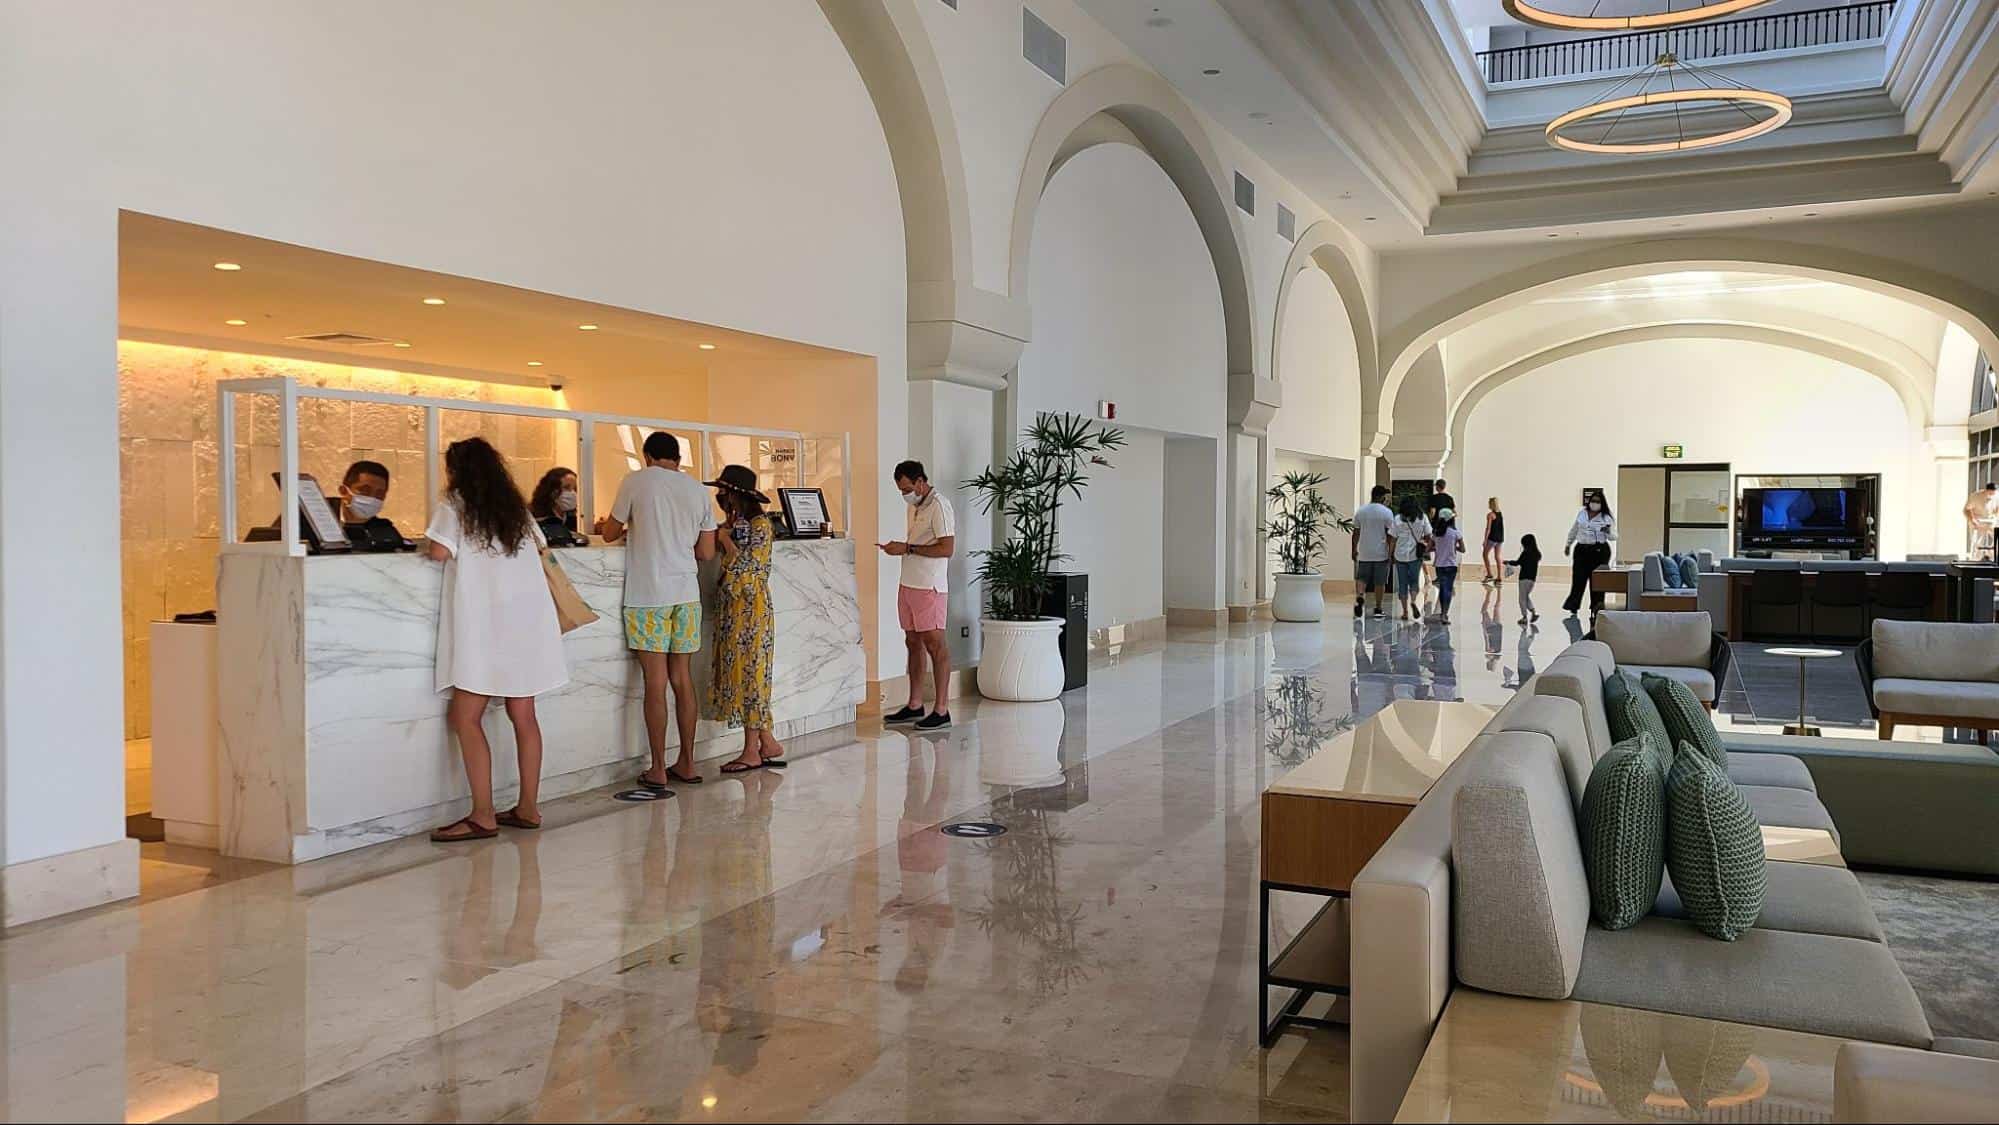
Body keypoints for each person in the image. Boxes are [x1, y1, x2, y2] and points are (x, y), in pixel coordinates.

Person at [422, 437, 567, 841]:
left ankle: (483, 814)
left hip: (486, 628)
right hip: (527, 626)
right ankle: (528, 807)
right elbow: (543, 547)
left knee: (465, 717)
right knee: (524, 716)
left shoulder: (455, 507)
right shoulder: (517, 511)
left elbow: (436, 553)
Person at [597, 432, 718, 788]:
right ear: (677, 458)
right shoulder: (698, 490)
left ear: (648, 455)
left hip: (649, 594)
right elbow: (707, 552)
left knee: (655, 681)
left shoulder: (636, 481)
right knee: (682, 678)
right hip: (686, 593)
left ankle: (659, 768)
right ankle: (689, 763)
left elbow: (608, 533)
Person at [704, 464, 786, 773]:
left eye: (723, 492)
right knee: (741, 676)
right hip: (734, 614)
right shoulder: (738, 523)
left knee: (751, 677)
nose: (719, 497)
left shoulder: (761, 526)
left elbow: (749, 573)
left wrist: (725, 541)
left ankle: (752, 750)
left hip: (751, 613)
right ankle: (767, 742)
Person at [879, 460, 956, 731]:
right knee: (912, 641)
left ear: (921, 482)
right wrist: (900, 549)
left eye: (908, 488)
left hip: (930, 587)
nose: (905, 494)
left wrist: (908, 549)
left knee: (935, 644)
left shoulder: (939, 506)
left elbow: (947, 548)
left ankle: (942, 709)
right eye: (901, 490)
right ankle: (914, 704)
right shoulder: (914, 507)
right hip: (908, 583)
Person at [1563, 494, 1617, 618]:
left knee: (1597, 580)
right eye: (1593, 501)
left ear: (1602, 503)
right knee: (1578, 578)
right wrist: (1568, 544)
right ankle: (1573, 606)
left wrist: (1607, 532)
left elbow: (1614, 537)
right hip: (1581, 549)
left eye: (1598, 502)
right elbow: (1574, 529)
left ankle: (1596, 607)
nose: (1594, 503)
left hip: (1599, 550)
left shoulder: (1606, 517)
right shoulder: (1582, 513)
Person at [1351, 484, 1395, 619]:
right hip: (1380, 553)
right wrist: (1391, 553)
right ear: (1381, 497)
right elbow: (1390, 535)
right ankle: (1378, 608)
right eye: (1385, 497)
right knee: (1379, 582)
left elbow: (1355, 533)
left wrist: (1353, 550)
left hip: (1364, 552)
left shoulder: (1361, 511)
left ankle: (1359, 597)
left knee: (1361, 578)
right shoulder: (1386, 512)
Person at [1388, 495, 1433, 621]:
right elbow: (1429, 534)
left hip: (1400, 555)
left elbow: (1393, 539)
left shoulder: (1397, 519)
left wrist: (1390, 554)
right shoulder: (1422, 517)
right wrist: (1426, 546)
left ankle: (1405, 612)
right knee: (1414, 582)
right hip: (1415, 555)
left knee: (1402, 583)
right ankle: (1413, 601)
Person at [529, 466, 584, 545]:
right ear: (551, 490)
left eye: (575, 489)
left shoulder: (576, 517)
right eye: (566, 487)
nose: (572, 493)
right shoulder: (534, 515)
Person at [1430, 508, 1464, 623]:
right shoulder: (1455, 533)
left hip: (1439, 564)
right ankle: (1445, 614)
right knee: (1448, 589)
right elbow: (1463, 549)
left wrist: (1438, 547)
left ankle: (1442, 613)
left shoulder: (1436, 533)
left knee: (1442, 588)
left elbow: (1429, 548)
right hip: (1451, 565)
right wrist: (1454, 547)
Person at [1510, 532, 1543, 625]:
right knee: (1526, 596)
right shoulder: (1537, 554)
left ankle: (1524, 617)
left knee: (1521, 598)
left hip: (1523, 578)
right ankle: (1533, 613)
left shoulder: (1525, 553)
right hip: (1532, 580)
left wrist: (1508, 562)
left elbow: (1517, 563)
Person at [1966, 482, 1999, 561]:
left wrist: (1996, 516)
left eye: (1993, 492)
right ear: (1986, 490)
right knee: (1978, 542)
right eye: (1990, 492)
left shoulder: (1997, 495)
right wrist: (1973, 519)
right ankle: (1976, 560)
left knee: (1997, 538)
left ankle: (1990, 556)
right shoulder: (1976, 496)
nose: (1992, 494)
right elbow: (1968, 509)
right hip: (1978, 520)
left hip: (1990, 520)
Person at [1480, 497, 1505, 585]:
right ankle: (1499, 577)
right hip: (1500, 538)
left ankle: (1490, 574)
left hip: (1492, 538)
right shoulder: (1500, 513)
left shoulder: (1490, 515)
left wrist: (1485, 540)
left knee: (1485, 554)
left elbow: (1488, 529)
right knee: (1497, 557)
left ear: (1491, 504)